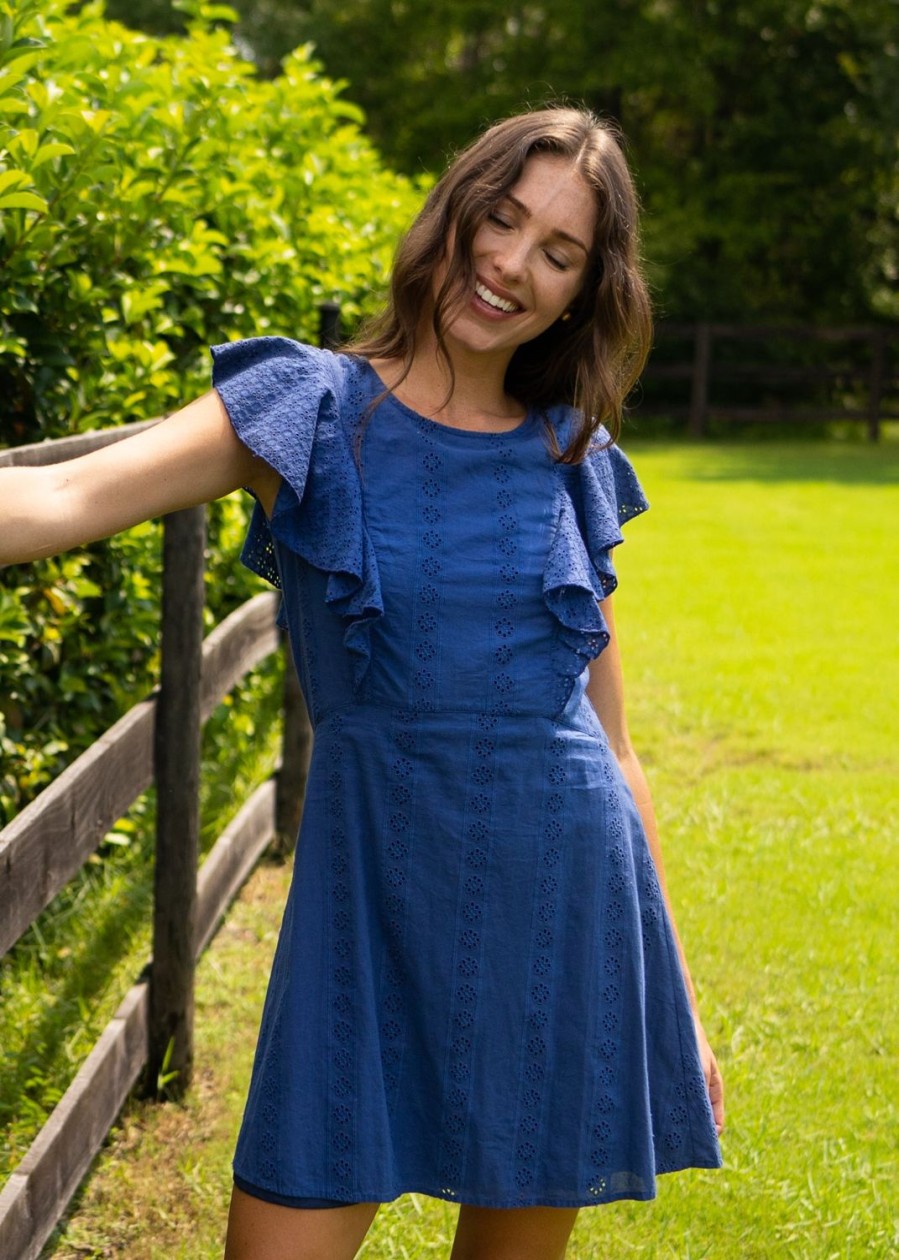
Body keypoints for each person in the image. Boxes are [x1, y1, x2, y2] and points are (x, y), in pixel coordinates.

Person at [0, 107, 724, 1260]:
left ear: (585, 293)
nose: (510, 266)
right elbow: (59, 500)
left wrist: (670, 985)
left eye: (557, 252)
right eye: (500, 220)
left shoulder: (571, 455)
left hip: (561, 906)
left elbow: (609, 740)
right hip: (368, 895)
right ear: (453, 212)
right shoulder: (308, 404)